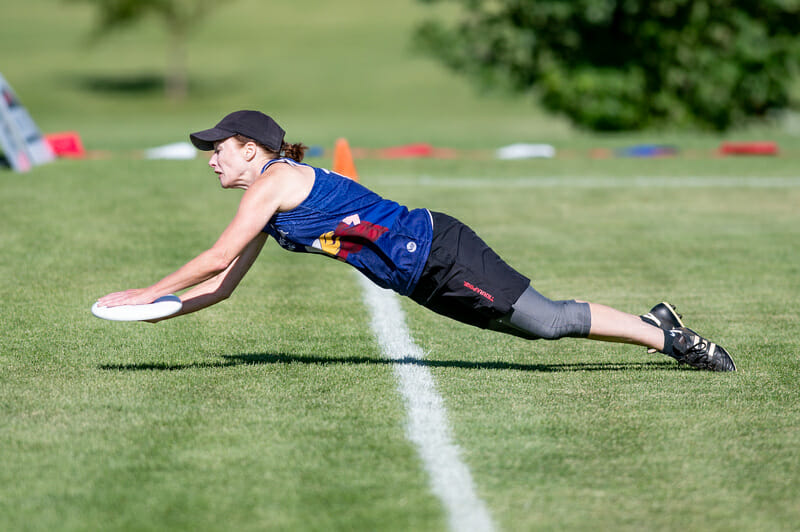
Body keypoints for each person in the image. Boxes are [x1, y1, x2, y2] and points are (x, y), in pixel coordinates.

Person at [97, 110, 736, 372]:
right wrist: (155, 311)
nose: (211, 160)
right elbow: (221, 285)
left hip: (439, 252)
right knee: (541, 326)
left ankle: (672, 338)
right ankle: (658, 325)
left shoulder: (275, 180)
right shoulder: (265, 203)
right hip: (419, 275)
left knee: (546, 322)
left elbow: (211, 257)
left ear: (251, 149)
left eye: (218, 150)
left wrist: (145, 290)